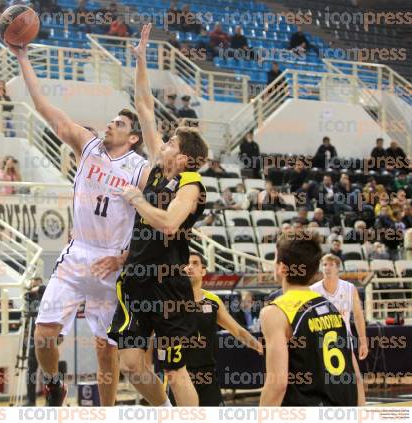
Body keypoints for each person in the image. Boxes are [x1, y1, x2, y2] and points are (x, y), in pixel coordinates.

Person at [11, 39, 149, 406]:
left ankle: (107, 412)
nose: (110, 124)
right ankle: (54, 384)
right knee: (43, 334)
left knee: (106, 349)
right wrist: (23, 57)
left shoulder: (142, 169)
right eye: (111, 120)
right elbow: (43, 105)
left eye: (119, 123)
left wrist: (125, 258)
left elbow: (152, 224)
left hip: (112, 262)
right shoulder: (86, 146)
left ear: (133, 138)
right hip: (78, 254)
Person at [107, 23, 209, 407]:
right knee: (131, 364)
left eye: (170, 143)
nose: (162, 144)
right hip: (136, 281)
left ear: (182, 157)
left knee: (176, 370)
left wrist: (136, 200)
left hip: (169, 287)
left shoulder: (191, 185)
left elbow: (168, 222)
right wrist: (140, 60)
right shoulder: (154, 169)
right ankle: (163, 410)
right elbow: (144, 106)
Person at [259, 230, 358, 405]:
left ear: (282, 268)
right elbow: (355, 376)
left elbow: (278, 385)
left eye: (275, 259)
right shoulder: (332, 308)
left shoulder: (275, 311)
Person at [165, 252, 262, 405]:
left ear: (203, 271)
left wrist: (258, 346)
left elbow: (237, 330)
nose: (189, 267)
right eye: (185, 264)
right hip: (180, 375)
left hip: (208, 376)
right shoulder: (168, 300)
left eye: (195, 263)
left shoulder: (213, 301)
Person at [310, 254, 368, 405]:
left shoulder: (349, 288)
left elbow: (358, 316)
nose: (327, 268)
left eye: (330, 265)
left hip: (344, 341)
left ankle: (362, 413)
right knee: (321, 382)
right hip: (322, 342)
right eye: (324, 265)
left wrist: (363, 342)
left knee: (356, 379)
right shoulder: (313, 290)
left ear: (338, 268)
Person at [24, 277, 46, 406]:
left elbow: (46, 288)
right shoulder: (30, 300)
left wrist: (38, 289)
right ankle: (30, 400)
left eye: (36, 286)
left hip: (47, 339)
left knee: (48, 370)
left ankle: (50, 399)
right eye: (32, 285)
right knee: (31, 370)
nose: (33, 288)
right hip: (33, 339)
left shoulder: (47, 296)